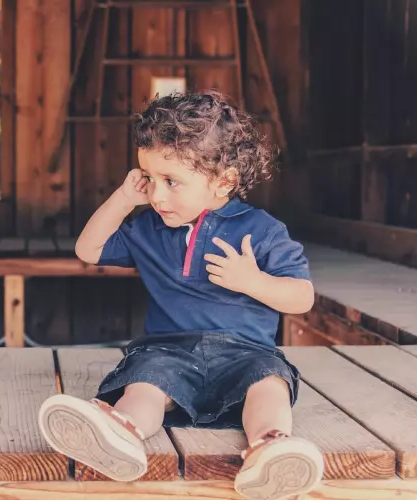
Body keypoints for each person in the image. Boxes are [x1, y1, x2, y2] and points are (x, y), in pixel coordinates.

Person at [38, 90, 324, 500]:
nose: (156, 195)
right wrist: (123, 199)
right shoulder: (149, 229)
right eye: (149, 178)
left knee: (270, 381)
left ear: (224, 181)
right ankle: (120, 434)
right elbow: (88, 250)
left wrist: (253, 281)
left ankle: (270, 448)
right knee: (146, 382)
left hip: (245, 354)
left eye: (171, 182)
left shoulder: (262, 231)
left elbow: (302, 297)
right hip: (168, 351)